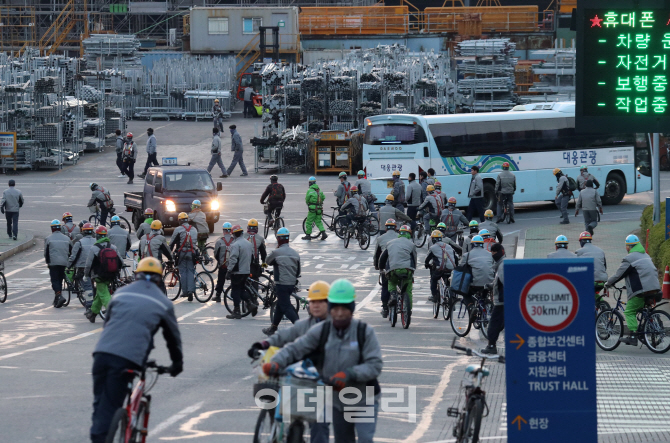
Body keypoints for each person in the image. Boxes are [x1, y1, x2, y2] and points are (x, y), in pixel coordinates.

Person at [264, 279, 382, 443]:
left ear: (352, 309)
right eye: (336, 308)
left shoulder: (364, 332)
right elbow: (296, 348)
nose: (340, 313)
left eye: (344, 308)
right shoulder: (321, 330)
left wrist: (349, 374)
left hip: (364, 397)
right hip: (337, 400)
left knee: (364, 439)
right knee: (343, 440)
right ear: (331, 309)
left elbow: (375, 365)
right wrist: (276, 362)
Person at [89, 257, 183, 443]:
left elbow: (108, 324)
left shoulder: (121, 293)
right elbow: (172, 338)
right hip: (128, 359)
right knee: (110, 407)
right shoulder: (163, 303)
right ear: (159, 279)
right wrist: (177, 364)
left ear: (137, 275)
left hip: (101, 354)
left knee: (101, 404)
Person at [249, 281, 331, 443]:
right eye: (313, 301)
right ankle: (277, 427)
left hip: (322, 382)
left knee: (319, 424)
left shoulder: (335, 328)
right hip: (299, 378)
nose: (316, 305)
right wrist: (263, 344)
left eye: (321, 301)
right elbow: (284, 336)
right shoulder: (303, 325)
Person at [605, 235, 660, 346]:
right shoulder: (646, 255)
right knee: (644, 310)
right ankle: (653, 332)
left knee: (629, 311)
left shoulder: (629, 259)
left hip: (642, 291)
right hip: (655, 289)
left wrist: (608, 284)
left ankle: (633, 336)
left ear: (629, 247)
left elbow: (618, 275)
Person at [262, 227, 301, 335]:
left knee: (285, 307)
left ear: (278, 239)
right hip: (291, 284)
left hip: (281, 284)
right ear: (288, 239)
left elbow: (267, 261)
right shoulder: (295, 254)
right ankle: (273, 327)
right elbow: (298, 272)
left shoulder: (277, 252)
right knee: (280, 304)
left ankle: (300, 328)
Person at [85, 226, 123, 323]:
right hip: (111, 274)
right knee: (100, 294)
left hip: (99, 276)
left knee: (104, 295)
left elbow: (88, 264)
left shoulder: (94, 248)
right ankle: (93, 313)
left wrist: (86, 275)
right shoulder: (113, 247)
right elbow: (121, 261)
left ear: (97, 236)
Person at [379, 225, 417, 311]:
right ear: (409, 234)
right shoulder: (412, 245)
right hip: (407, 270)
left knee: (391, 282)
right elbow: (414, 259)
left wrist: (381, 268)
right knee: (408, 291)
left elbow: (382, 258)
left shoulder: (390, 243)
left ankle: (393, 295)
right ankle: (408, 311)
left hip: (393, 270)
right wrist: (413, 271)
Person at [225, 224, 257, 319]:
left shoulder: (235, 245)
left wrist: (229, 270)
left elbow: (233, 259)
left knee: (235, 291)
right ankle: (250, 304)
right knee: (242, 289)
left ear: (234, 234)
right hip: (246, 270)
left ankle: (237, 311)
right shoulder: (248, 243)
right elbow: (252, 257)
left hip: (237, 271)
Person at [481, 249, 506, 355]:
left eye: (493, 253)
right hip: (505, 300)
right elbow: (499, 282)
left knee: (493, 324)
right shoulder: (502, 264)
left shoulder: (501, 266)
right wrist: (491, 286)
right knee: (500, 324)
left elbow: (505, 281)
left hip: (502, 301)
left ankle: (491, 346)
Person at [170, 212, 198, 302]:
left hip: (182, 253)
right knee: (190, 271)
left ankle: (185, 292)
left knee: (183, 272)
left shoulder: (178, 229)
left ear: (179, 220)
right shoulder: (194, 229)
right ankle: (191, 291)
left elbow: (171, 243)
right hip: (192, 253)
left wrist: (170, 254)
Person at [460, 235, 495, 307]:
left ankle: (471, 307)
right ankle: (484, 304)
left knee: (465, 293)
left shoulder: (467, 255)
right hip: (490, 282)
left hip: (475, 283)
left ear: (472, 245)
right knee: (483, 295)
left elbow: (460, 268)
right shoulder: (490, 254)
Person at [67, 223, 96, 307]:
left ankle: (90, 306)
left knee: (87, 287)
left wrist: (68, 266)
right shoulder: (96, 242)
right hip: (95, 267)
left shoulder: (79, 243)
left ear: (83, 232)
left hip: (82, 267)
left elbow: (73, 257)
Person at [374, 219, 399, 318]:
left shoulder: (380, 238)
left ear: (385, 228)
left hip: (386, 265)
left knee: (385, 285)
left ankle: (385, 308)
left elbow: (377, 255)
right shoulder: (400, 237)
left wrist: (377, 266)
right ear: (395, 227)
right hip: (400, 265)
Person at [45, 219, 71, 308]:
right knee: (60, 279)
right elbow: (71, 251)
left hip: (53, 262)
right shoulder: (67, 238)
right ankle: (58, 297)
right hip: (64, 262)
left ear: (52, 229)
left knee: (55, 280)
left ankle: (59, 295)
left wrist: (48, 262)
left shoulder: (48, 239)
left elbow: (46, 253)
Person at [425, 230, 457, 303]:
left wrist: (427, 265)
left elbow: (427, 259)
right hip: (451, 268)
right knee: (450, 281)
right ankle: (453, 295)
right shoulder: (448, 246)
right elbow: (456, 258)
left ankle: (434, 296)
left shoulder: (432, 248)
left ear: (433, 239)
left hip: (440, 269)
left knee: (433, 279)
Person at [575, 231, 608, 296]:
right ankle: (601, 304)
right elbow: (605, 267)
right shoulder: (600, 250)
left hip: (591, 281)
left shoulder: (579, 252)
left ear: (581, 241)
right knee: (593, 295)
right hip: (603, 281)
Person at [213, 223, 234, 303]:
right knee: (234, 281)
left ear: (223, 231)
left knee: (220, 280)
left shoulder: (220, 241)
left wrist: (220, 261)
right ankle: (234, 295)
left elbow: (216, 254)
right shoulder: (234, 241)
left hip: (223, 265)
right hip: (232, 266)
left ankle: (218, 295)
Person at [245, 218, 267, 294]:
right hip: (254, 265)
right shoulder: (260, 239)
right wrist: (264, 264)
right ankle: (254, 298)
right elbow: (263, 254)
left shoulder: (243, 237)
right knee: (255, 281)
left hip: (243, 264)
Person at [303, 177, 328, 241]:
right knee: (318, 221)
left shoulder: (310, 190)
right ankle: (323, 233)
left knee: (308, 222)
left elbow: (307, 199)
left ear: (310, 183)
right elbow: (323, 197)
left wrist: (309, 204)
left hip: (312, 209)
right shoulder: (319, 190)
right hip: (319, 208)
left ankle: (308, 235)